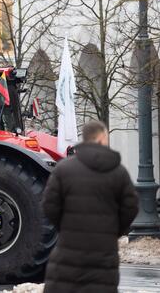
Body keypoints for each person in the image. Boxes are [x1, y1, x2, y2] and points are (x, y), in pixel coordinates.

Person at [42, 120, 139, 293]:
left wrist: (65, 226)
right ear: (101, 138)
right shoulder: (118, 172)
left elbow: (49, 205)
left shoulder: (64, 169)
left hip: (68, 253)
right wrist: (113, 231)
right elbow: (131, 207)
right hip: (104, 256)